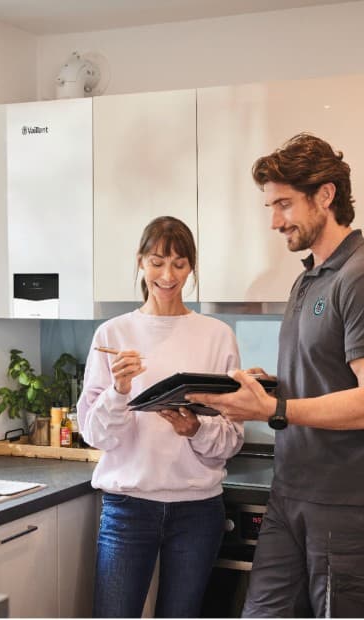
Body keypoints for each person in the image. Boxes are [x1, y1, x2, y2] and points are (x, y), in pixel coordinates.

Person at [187, 133, 364, 618]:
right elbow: (324, 376)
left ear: (325, 196)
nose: (274, 221)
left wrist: (275, 409)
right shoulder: (311, 277)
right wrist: (261, 388)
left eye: (284, 204)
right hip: (293, 490)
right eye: (271, 206)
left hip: (348, 501)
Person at [77, 215, 244, 618]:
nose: (167, 275)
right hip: (127, 506)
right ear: (140, 262)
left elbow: (233, 435)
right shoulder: (111, 336)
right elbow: (95, 435)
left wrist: (196, 428)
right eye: (156, 262)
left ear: (191, 268)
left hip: (198, 510)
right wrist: (119, 391)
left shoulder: (217, 335)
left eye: (179, 264)